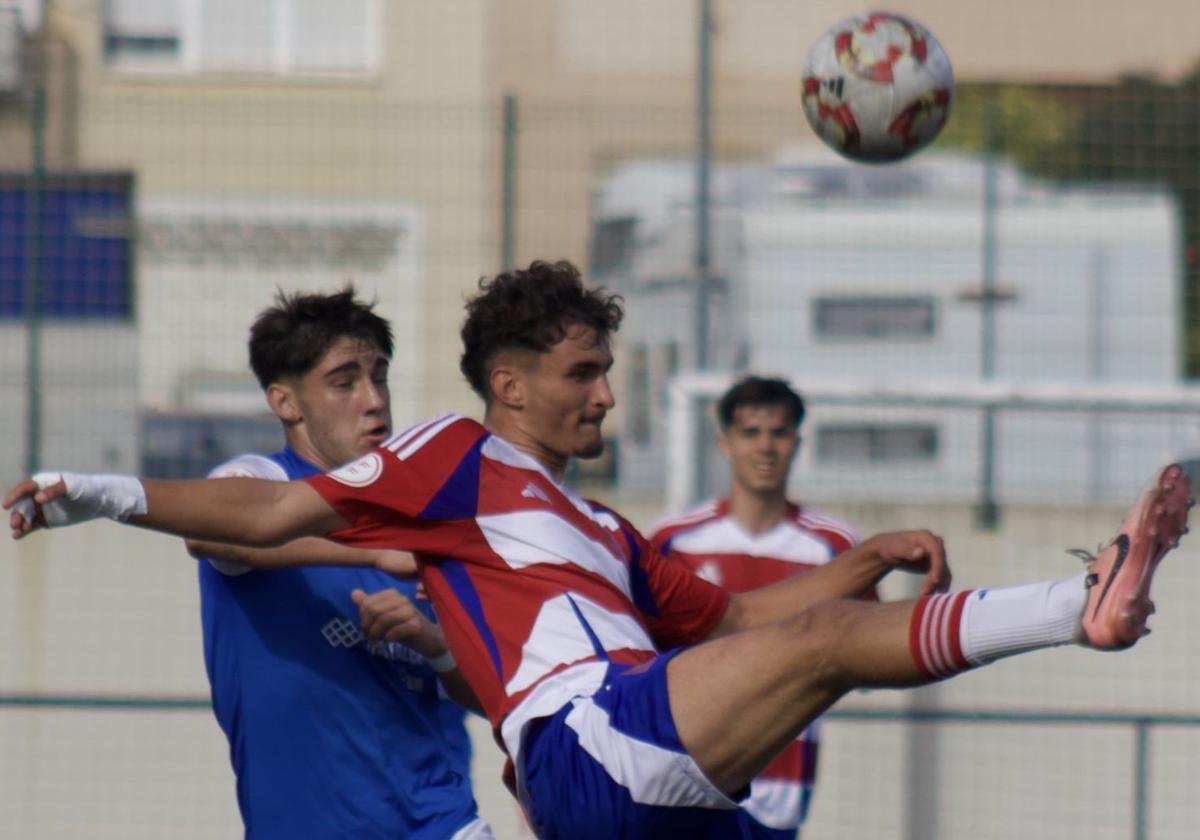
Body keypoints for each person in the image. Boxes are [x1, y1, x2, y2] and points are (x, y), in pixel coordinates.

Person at [5, 260, 1192, 840]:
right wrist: (98, 490)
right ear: (509, 384)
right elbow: (262, 521)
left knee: (816, 633)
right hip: (585, 748)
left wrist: (854, 557)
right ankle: (1083, 604)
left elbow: (733, 621)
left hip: (638, 776)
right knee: (829, 647)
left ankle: (1082, 602)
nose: (608, 398)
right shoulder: (446, 463)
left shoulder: (600, 530)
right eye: (585, 373)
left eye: (608, 374)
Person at [152, 288, 490, 839]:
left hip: (443, 823)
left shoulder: (428, 512)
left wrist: (438, 645)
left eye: (379, 376)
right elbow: (207, 531)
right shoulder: (261, 482)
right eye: (344, 382)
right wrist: (375, 550)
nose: (374, 399)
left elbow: (490, 692)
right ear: (286, 403)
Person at [648, 375, 869, 839]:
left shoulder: (834, 546)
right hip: (689, 776)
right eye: (750, 433)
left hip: (781, 789)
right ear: (725, 444)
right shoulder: (673, 541)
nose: (765, 447)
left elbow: (865, 653)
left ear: (797, 442)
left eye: (779, 433)